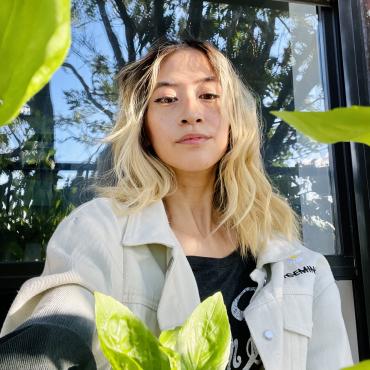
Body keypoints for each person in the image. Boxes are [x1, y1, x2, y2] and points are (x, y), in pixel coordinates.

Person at [0, 39, 353, 370]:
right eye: (167, 99)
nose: (191, 113)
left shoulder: (302, 267)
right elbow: (59, 320)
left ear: (234, 119)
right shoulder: (97, 229)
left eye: (210, 94)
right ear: (144, 127)